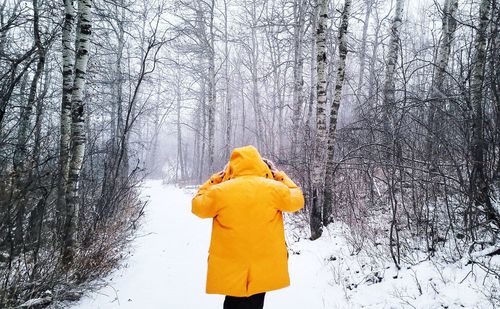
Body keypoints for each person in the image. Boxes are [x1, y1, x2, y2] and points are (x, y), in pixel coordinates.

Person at [192, 145, 304, 309]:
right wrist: (278, 176)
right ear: (261, 165)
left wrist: (215, 179)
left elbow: (197, 206)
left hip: (230, 266)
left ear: (231, 168)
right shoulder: (273, 189)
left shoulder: (220, 191)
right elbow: (297, 199)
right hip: (262, 265)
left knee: (232, 303)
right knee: (256, 302)